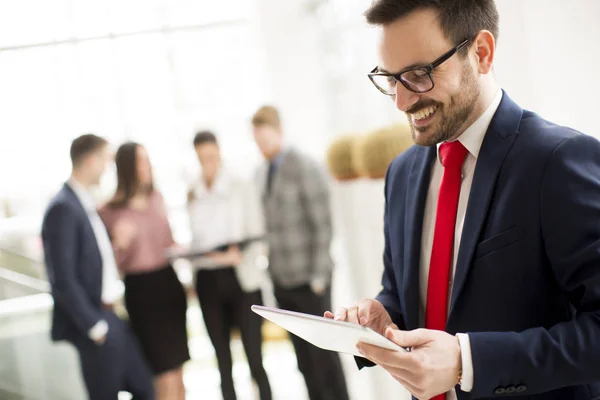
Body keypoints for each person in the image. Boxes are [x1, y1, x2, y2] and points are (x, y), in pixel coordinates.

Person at [326, 1, 600, 399]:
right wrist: (384, 315)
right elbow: (405, 291)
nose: (401, 102)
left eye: (419, 74)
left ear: (482, 53)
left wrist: (466, 361)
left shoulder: (557, 161)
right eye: (390, 78)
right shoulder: (402, 174)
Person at [41, 134, 155, 400]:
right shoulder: (63, 207)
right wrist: (94, 326)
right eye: (105, 160)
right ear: (91, 160)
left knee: (144, 387)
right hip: (96, 322)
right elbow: (62, 278)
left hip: (112, 317)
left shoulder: (83, 202)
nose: (108, 167)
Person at [251, 106, 349, 400]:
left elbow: (323, 224)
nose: (261, 147)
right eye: (257, 141)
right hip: (284, 280)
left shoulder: (304, 165)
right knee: (304, 361)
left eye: (265, 139)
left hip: (311, 280)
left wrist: (319, 277)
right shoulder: (263, 173)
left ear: (279, 132)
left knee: (325, 358)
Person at [99, 142, 189, 400]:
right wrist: (119, 244)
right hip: (142, 293)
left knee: (179, 373)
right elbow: (108, 265)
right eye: (140, 161)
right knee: (162, 374)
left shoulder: (157, 198)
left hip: (169, 285)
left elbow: (168, 242)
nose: (146, 166)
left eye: (147, 160)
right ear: (127, 166)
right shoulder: (109, 211)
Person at [186, 131, 272, 400]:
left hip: (241, 277)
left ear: (219, 152)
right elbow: (195, 240)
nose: (208, 162)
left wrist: (239, 255)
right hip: (208, 280)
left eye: (211, 156)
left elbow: (258, 233)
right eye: (202, 158)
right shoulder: (194, 191)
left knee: (255, 358)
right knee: (223, 361)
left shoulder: (240, 185)